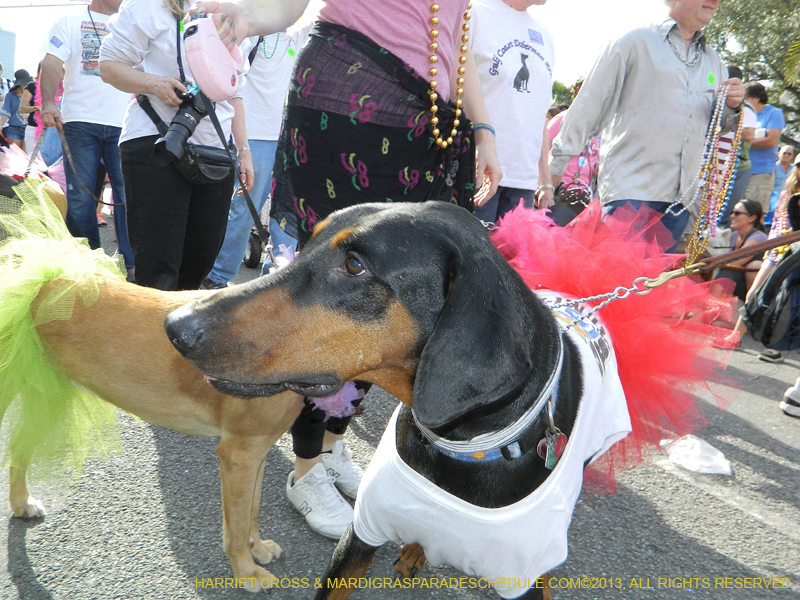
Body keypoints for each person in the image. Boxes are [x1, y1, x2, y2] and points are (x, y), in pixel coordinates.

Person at [192, 0, 502, 247]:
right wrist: (247, 14)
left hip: (425, 132)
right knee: (337, 274)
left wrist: (483, 132)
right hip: (346, 108)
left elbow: (456, 43)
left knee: (400, 282)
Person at [549, 0, 744, 252]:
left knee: (652, 289)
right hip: (630, 194)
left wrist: (732, 106)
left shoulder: (713, 61)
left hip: (680, 201)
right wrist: (553, 172)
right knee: (613, 284)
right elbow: (588, 106)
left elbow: (719, 128)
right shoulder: (633, 40)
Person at [99, 0, 253, 291]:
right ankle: (151, 334)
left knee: (200, 264)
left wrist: (244, 151)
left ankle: (173, 332)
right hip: (156, 142)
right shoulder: (147, 6)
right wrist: (153, 83)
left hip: (216, 151)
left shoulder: (231, 11)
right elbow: (108, 66)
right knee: (159, 272)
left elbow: (236, 92)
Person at [202, 21, 313, 290]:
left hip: (289, 140)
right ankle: (217, 276)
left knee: (287, 216)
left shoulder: (297, 38)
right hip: (255, 138)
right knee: (243, 210)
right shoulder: (252, 36)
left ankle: (276, 279)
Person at [39, 0, 135, 276]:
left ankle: (132, 264)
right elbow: (52, 61)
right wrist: (47, 103)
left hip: (125, 123)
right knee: (80, 197)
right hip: (79, 120)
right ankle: (89, 264)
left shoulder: (133, 21)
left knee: (128, 196)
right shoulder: (69, 20)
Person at [470, 0, 554, 223]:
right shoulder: (474, 13)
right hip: (478, 175)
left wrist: (544, 181)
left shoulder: (544, 34)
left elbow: (539, 113)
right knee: (471, 257)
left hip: (524, 186)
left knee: (511, 259)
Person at [715, 65, 756, 230]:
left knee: (727, 211)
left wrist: (731, 120)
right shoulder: (715, 104)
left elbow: (748, 135)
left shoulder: (745, 110)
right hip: (715, 165)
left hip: (736, 167)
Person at [711, 200, 767, 301]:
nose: (732, 216)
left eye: (737, 213)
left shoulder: (759, 237)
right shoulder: (733, 236)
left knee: (727, 273)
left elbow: (735, 261)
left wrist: (710, 261)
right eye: (731, 213)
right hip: (737, 281)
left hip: (752, 287)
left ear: (752, 218)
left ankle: (710, 307)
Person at [744, 83, 786, 216]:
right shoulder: (742, 113)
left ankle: (758, 237)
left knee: (755, 214)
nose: (742, 101)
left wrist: (747, 140)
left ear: (755, 98)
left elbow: (772, 141)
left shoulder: (774, 113)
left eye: (745, 97)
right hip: (740, 172)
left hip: (760, 172)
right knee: (739, 213)